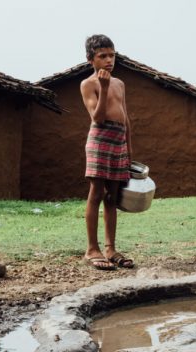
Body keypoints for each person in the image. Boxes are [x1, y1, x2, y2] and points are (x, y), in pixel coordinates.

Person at [80, 34, 134, 270]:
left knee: (113, 195)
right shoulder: (88, 84)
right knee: (97, 192)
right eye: (103, 56)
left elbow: (125, 117)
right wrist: (102, 87)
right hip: (100, 139)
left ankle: (111, 248)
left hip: (118, 141)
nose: (109, 60)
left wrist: (129, 150)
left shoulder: (120, 84)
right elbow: (98, 117)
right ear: (91, 59)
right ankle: (92, 249)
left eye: (112, 55)